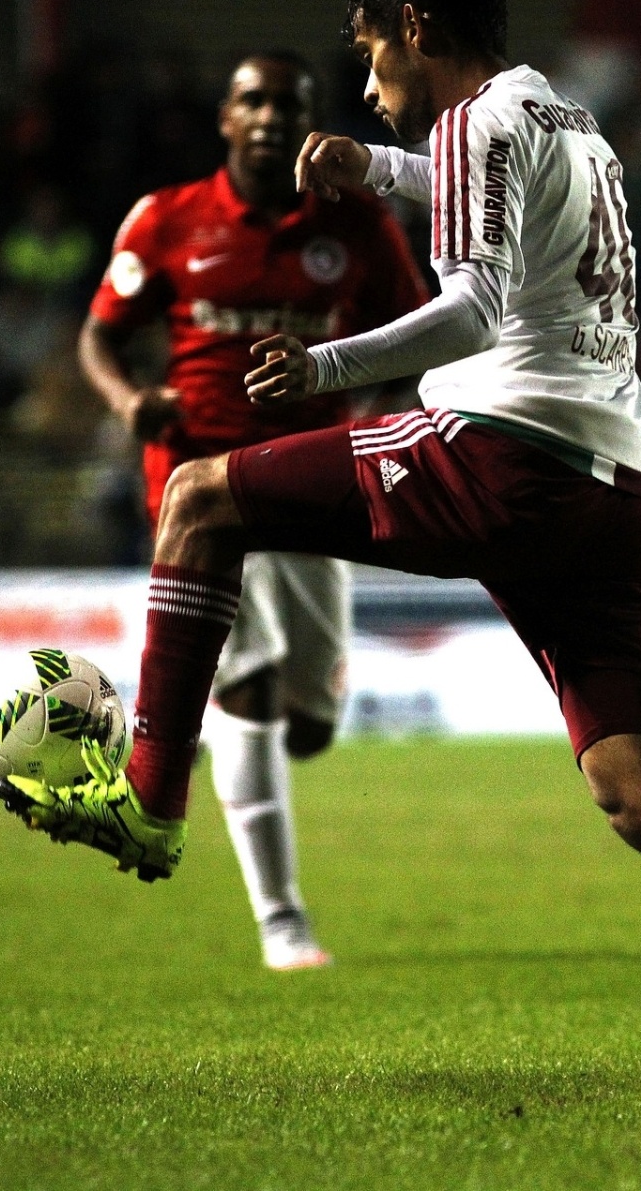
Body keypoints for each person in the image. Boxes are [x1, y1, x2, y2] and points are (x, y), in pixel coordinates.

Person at [0, 0, 641, 1087]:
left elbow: (473, 307)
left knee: (203, 497)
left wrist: (322, 368)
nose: (373, 88)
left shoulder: (474, 121)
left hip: (502, 451)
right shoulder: (566, 119)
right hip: (617, 485)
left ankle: (150, 798)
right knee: (634, 786)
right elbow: (493, 202)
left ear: (418, 29)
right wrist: (377, 170)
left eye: (373, 56)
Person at [75, 51, 430, 971]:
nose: (270, 116)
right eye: (253, 101)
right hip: (198, 491)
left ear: (311, 121)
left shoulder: (356, 224)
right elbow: (101, 334)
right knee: (254, 688)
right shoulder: (167, 218)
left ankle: (180, 714)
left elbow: (418, 331)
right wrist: (128, 401)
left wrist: (376, 410)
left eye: (288, 103)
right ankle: (283, 921)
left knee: (309, 722)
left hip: (313, 485)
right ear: (226, 119)